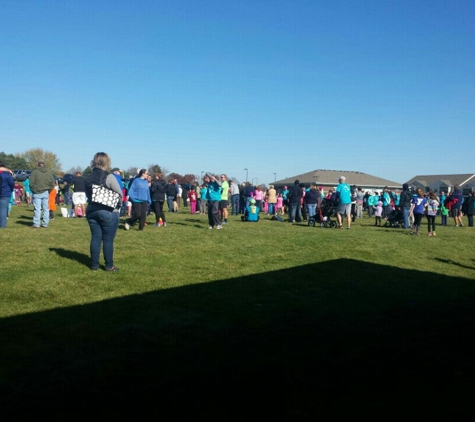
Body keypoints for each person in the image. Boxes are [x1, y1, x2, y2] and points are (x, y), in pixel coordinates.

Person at [85, 152, 122, 272]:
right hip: (108, 211)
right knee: (108, 240)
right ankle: (109, 265)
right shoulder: (109, 177)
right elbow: (119, 194)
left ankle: (94, 265)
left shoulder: (88, 177)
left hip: (91, 210)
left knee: (95, 238)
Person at [29, 160, 55, 228]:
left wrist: (33, 190)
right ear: (44, 165)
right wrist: (49, 190)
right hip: (46, 191)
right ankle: (45, 223)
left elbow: (31, 183)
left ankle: (36, 223)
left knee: (37, 209)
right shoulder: (49, 173)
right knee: (46, 209)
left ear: (38, 165)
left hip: (37, 192)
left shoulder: (34, 172)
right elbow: (52, 183)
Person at [0, 162, 14, 228]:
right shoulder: (6, 175)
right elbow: (11, 184)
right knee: (3, 210)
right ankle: (2, 225)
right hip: (5, 193)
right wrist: (10, 190)